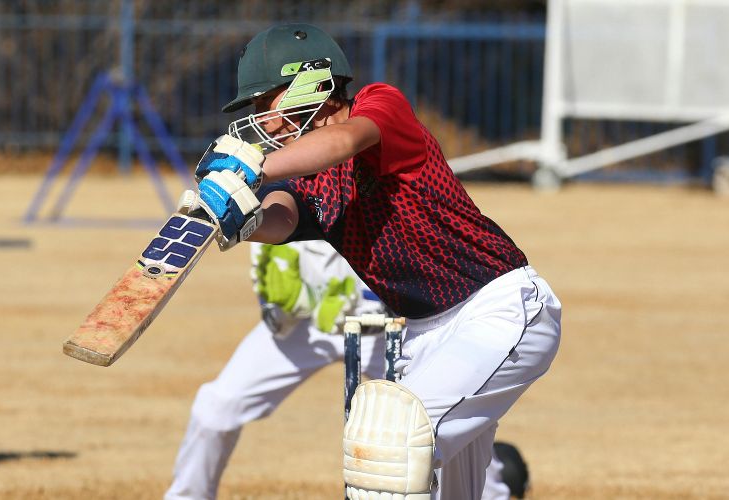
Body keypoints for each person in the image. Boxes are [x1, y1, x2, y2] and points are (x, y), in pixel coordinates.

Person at [189, 23, 561, 499]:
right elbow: (284, 216)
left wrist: (252, 169)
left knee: (389, 445)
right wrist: (238, 218)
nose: (263, 121)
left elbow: (342, 142)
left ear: (312, 83)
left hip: (497, 309)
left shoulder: (379, 106)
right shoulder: (311, 179)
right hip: (423, 335)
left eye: (267, 103)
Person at [165, 241, 531, 500]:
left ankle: (495, 491)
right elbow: (265, 241)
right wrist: (273, 294)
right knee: (217, 405)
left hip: (384, 326)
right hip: (305, 324)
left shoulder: (369, 165)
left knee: (426, 423)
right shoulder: (279, 168)